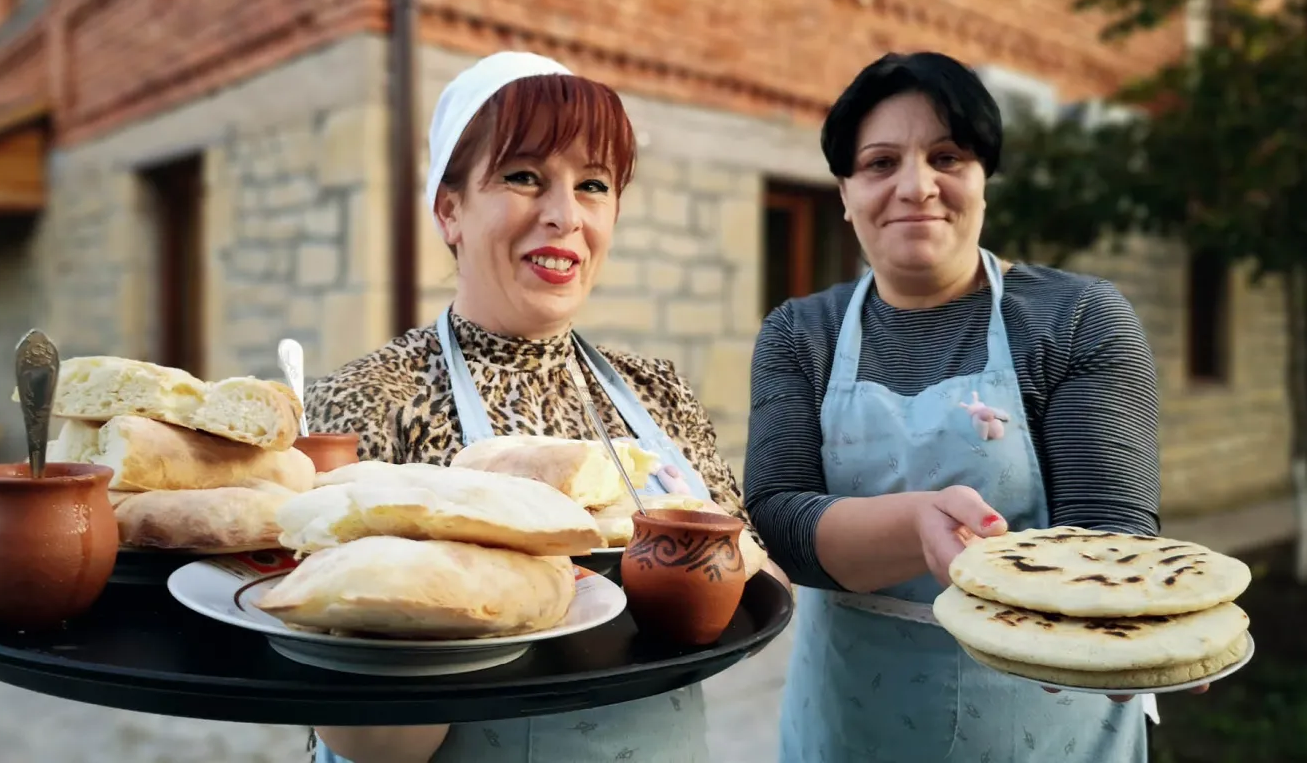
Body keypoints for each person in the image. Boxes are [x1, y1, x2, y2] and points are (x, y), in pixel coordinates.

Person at [303, 51, 780, 763]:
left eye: (593, 185)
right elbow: (366, 731)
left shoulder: (655, 391)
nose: (564, 216)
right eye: (524, 177)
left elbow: (756, 585)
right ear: (449, 208)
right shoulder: (373, 398)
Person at [742, 51, 1196, 762]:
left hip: (1043, 710)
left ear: (983, 178)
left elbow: (1110, 532)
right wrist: (916, 524)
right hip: (853, 720)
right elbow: (776, 519)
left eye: (947, 157)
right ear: (844, 190)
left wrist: (1133, 629)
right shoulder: (800, 334)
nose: (916, 186)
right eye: (881, 163)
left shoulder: (1075, 318)